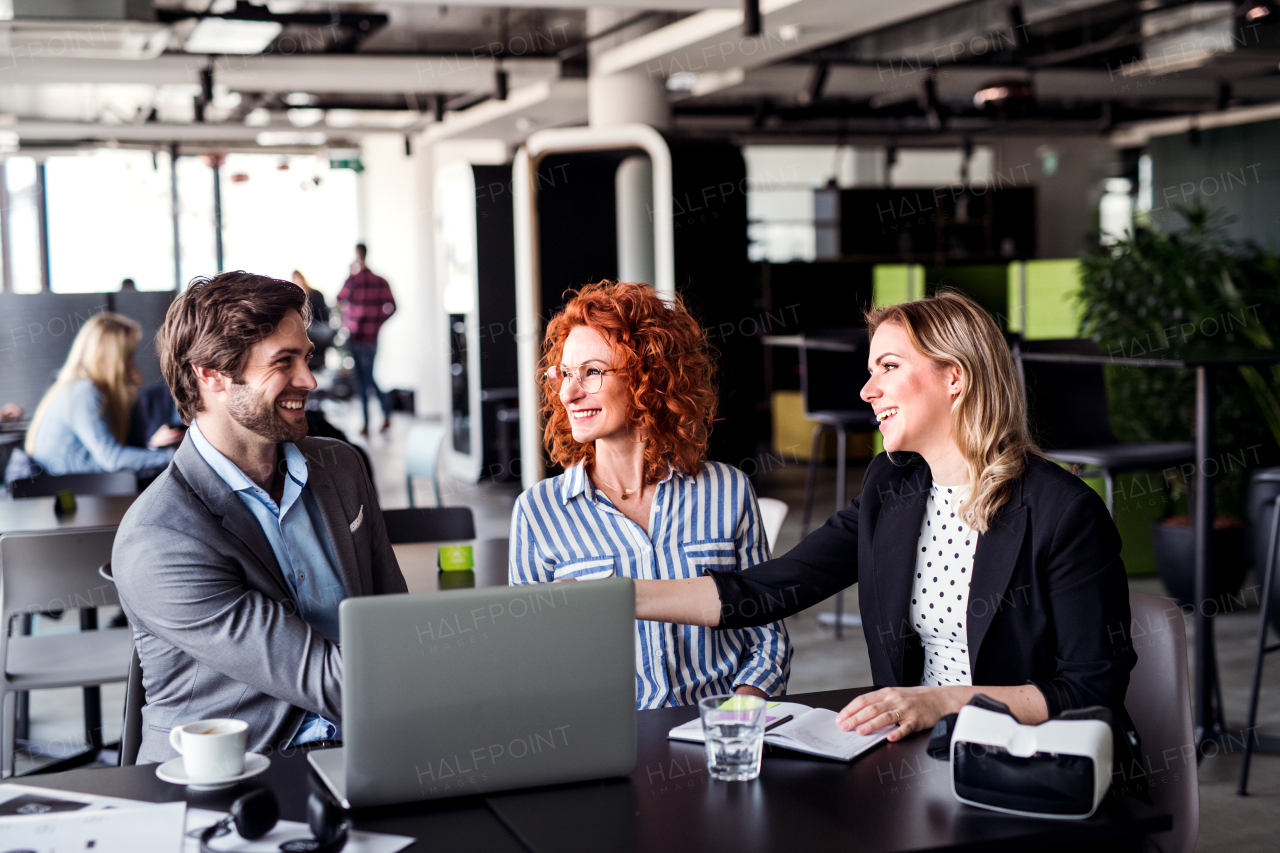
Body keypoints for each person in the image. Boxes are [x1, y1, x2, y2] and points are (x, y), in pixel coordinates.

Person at [632, 290, 1138, 746]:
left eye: (888, 367)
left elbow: (1090, 690)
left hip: (1028, 765)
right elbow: (763, 589)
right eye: (871, 371)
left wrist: (940, 702)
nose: (866, 391)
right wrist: (614, 597)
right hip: (923, 750)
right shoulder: (892, 486)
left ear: (954, 376)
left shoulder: (1065, 512)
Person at [111, 271, 407, 763]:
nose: (309, 380)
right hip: (228, 780)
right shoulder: (159, 537)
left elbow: (395, 621)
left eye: (306, 357)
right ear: (211, 375)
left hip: (365, 746)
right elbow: (329, 681)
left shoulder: (341, 466)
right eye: (283, 362)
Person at [509, 281, 791, 708]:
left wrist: (739, 719)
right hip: (606, 742)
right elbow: (526, 662)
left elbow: (767, 638)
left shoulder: (728, 491)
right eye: (564, 374)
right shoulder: (538, 512)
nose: (568, 393)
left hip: (716, 733)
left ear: (649, 375)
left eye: (591, 372)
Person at [24, 312, 180, 476]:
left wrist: (153, 446)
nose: (132, 364)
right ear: (112, 358)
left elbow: (129, 448)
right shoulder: (83, 392)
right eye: (129, 356)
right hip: (72, 492)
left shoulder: (85, 389)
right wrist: (174, 457)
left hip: (86, 487)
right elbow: (111, 459)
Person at [336, 244, 395, 435]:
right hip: (371, 337)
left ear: (356, 255)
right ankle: (384, 415)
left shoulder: (352, 280)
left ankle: (368, 423)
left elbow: (337, 300)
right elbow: (393, 307)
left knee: (363, 380)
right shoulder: (380, 281)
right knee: (368, 378)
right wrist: (377, 323)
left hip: (355, 337)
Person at [292, 270, 333, 373]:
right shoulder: (296, 299)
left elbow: (324, 317)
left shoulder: (315, 295)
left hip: (319, 329)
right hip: (314, 330)